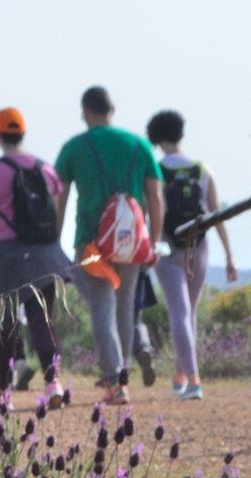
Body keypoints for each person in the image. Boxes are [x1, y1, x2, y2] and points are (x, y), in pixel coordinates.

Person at [0, 107, 74, 410]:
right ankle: (53, 382)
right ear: (23, 133)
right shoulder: (47, 170)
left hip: (3, 256)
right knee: (41, 317)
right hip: (44, 253)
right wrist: (51, 249)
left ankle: (3, 393)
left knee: (3, 320)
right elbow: (56, 213)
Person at [54, 86, 165, 406]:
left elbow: (58, 200)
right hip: (131, 243)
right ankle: (122, 374)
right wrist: (154, 242)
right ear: (112, 110)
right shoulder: (139, 145)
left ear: (86, 112)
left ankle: (115, 381)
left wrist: (54, 241)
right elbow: (155, 197)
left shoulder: (74, 147)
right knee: (125, 307)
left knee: (102, 307)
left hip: (91, 243)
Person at [147, 109, 240, 400]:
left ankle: (194, 381)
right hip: (199, 247)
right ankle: (181, 374)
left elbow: (149, 209)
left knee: (179, 313)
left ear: (157, 137)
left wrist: (148, 244)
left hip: (165, 247)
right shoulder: (202, 170)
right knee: (190, 313)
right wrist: (228, 256)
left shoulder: (155, 169)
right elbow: (217, 214)